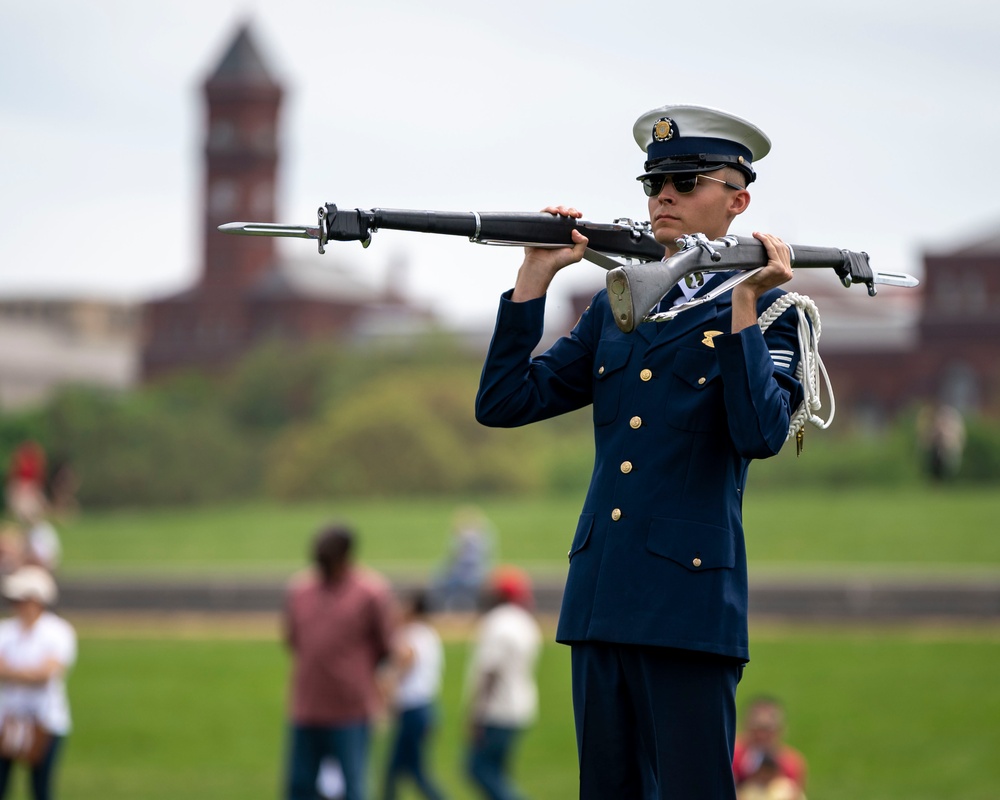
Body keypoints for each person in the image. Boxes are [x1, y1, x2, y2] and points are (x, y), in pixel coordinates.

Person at [475, 104, 804, 799]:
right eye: (653, 183)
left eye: (686, 182)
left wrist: (744, 307)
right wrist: (535, 278)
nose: (664, 197)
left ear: (738, 200)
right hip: (601, 599)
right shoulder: (618, 305)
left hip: (687, 609)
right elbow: (505, 403)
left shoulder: (776, 313)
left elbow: (759, 434)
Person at [283, 523, 397, 800]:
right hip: (307, 707)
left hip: (350, 709)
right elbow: (294, 640)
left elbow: (386, 647)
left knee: (353, 786)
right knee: (300, 786)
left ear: (346, 555)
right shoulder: (300, 591)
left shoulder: (371, 592)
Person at [465, 566, 542, 800]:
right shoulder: (526, 622)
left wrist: (476, 713)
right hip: (521, 707)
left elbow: (490, 672)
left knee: (478, 769)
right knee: (498, 772)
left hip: (497, 710)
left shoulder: (497, 622)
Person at [0, 565, 77, 800]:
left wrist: (11, 673)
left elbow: (46, 675)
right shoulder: (5, 631)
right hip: (6, 719)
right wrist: (29, 674)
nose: (17, 604)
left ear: (36, 599)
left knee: (41, 788)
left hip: (46, 719)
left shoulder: (58, 631)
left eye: (22, 598)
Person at [381, 590, 447, 800]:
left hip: (413, 710)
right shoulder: (429, 633)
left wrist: (388, 685)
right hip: (424, 708)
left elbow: (406, 660)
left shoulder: (412, 633)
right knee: (400, 771)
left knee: (411, 773)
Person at [733, 695, 808, 798]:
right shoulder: (731, 756)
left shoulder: (791, 763)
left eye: (768, 730)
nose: (762, 736)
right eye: (757, 729)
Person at [431, 506, 495, 612]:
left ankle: (444, 608)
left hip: (469, 578)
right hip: (469, 577)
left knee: (442, 583)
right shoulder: (480, 538)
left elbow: (459, 561)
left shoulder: (467, 539)